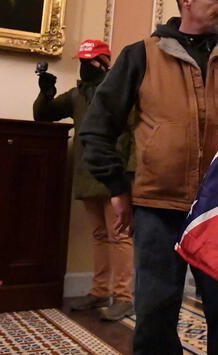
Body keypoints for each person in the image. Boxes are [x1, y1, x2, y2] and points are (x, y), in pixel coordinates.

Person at [79, 0, 218, 354]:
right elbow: (97, 128)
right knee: (155, 315)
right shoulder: (141, 55)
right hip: (158, 207)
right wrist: (118, 189)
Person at [33, 39, 134, 320]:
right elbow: (43, 115)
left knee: (120, 236)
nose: (84, 66)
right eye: (82, 61)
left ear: (104, 63)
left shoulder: (120, 91)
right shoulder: (77, 95)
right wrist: (46, 92)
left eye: (89, 61)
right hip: (87, 173)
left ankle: (124, 297)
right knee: (101, 235)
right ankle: (100, 291)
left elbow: (134, 134)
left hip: (114, 175)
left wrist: (127, 176)